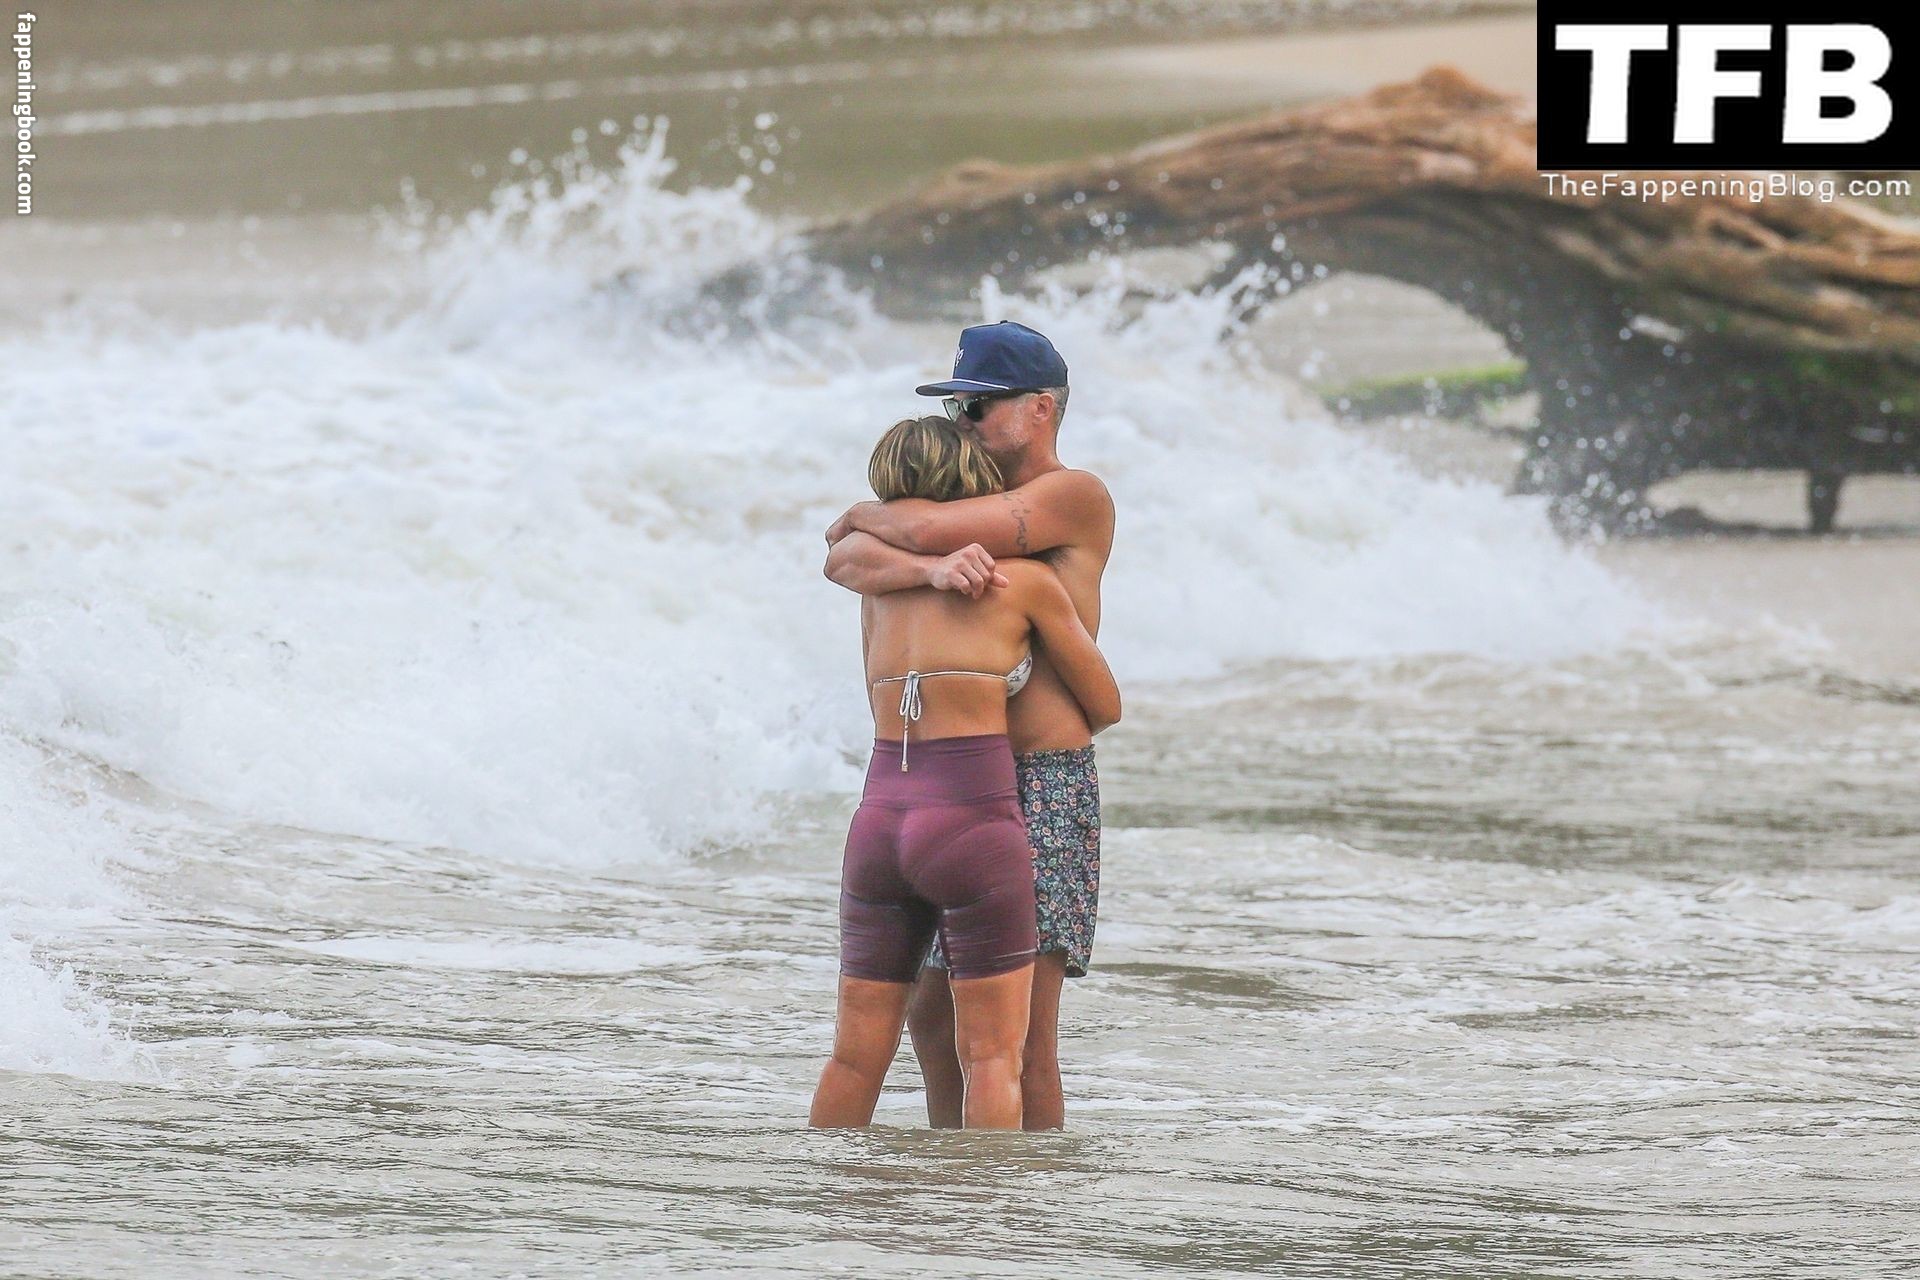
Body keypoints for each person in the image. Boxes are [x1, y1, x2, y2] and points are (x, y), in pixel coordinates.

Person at [822, 321, 1115, 1131]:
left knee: (1023, 1040)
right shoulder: (953, 509)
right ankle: (956, 1178)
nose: (964, 421)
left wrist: (866, 514)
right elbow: (846, 560)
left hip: (1041, 780)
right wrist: (903, 552)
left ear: (1041, 409)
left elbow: (901, 534)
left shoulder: (1073, 495)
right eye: (956, 407)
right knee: (930, 1021)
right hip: (948, 782)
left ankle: (1027, 1193)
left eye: (980, 406)